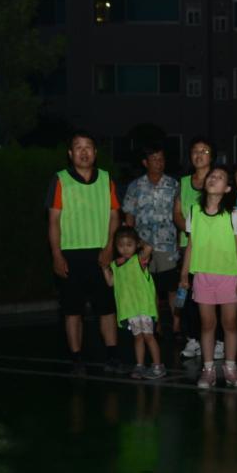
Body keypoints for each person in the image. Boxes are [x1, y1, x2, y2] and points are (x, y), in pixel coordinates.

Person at [47, 131, 123, 375]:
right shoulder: (60, 180)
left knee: (107, 308)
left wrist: (110, 247)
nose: (83, 151)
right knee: (73, 310)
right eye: (78, 147)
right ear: (71, 154)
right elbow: (53, 222)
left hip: (101, 255)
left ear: (95, 152)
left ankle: (112, 355)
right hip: (70, 255)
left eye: (88, 147)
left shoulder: (106, 179)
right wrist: (57, 256)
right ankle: (76, 358)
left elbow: (114, 215)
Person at [179, 165, 237, 389]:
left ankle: (230, 368)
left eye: (219, 177)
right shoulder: (194, 211)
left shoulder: (235, 214)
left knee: (229, 324)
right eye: (211, 176)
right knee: (207, 324)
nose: (213, 179)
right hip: (203, 276)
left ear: (227, 188)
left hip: (229, 276)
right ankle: (208, 369)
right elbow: (190, 245)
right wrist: (184, 274)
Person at [121, 140, 182, 340]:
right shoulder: (135, 186)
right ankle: (154, 325)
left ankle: (175, 325)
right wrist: (128, 245)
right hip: (143, 245)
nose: (159, 162)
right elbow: (129, 215)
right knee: (150, 288)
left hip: (168, 244)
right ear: (145, 162)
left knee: (172, 288)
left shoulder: (173, 184)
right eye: (154, 159)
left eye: (161, 159)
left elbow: (179, 215)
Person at [173, 136, 216, 361]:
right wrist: (191, 230)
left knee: (213, 294)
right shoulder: (183, 182)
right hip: (188, 245)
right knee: (189, 293)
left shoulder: (217, 179)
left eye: (205, 151)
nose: (199, 155)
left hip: (214, 247)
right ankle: (193, 338)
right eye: (195, 151)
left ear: (212, 156)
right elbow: (177, 213)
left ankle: (215, 340)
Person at [106, 225, 164, 379]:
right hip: (130, 309)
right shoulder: (115, 265)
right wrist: (104, 268)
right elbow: (111, 282)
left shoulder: (140, 260)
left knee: (148, 336)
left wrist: (139, 241)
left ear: (136, 245)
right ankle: (140, 365)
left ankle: (158, 365)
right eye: (121, 245)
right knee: (138, 338)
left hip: (144, 307)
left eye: (129, 245)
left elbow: (149, 247)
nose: (125, 249)